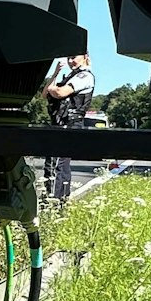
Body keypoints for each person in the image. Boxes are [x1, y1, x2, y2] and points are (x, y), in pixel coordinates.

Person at [41, 53, 95, 199]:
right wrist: (55, 73)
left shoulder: (84, 76)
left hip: (69, 124)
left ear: (85, 56)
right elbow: (45, 94)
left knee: (54, 164)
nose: (70, 61)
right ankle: (61, 201)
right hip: (61, 123)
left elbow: (60, 92)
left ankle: (52, 200)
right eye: (68, 58)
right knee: (61, 165)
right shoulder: (71, 76)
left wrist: (53, 89)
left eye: (74, 57)